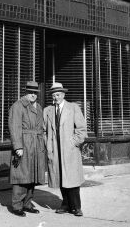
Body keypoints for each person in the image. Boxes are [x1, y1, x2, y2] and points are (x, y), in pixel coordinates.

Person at [44, 82, 87, 217]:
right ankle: (65, 204)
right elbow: (44, 131)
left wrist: (72, 143)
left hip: (69, 150)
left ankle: (76, 206)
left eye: (58, 94)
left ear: (63, 95)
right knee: (61, 178)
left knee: (72, 179)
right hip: (55, 150)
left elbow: (81, 130)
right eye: (53, 95)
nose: (55, 97)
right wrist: (48, 146)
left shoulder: (73, 108)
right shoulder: (48, 111)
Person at [8, 80, 46, 217]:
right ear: (25, 92)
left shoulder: (39, 107)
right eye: (30, 92)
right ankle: (17, 205)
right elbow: (14, 127)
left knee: (32, 176)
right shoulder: (18, 106)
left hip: (36, 145)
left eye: (35, 93)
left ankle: (27, 203)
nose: (33, 95)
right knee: (21, 176)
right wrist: (18, 146)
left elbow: (41, 128)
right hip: (24, 144)